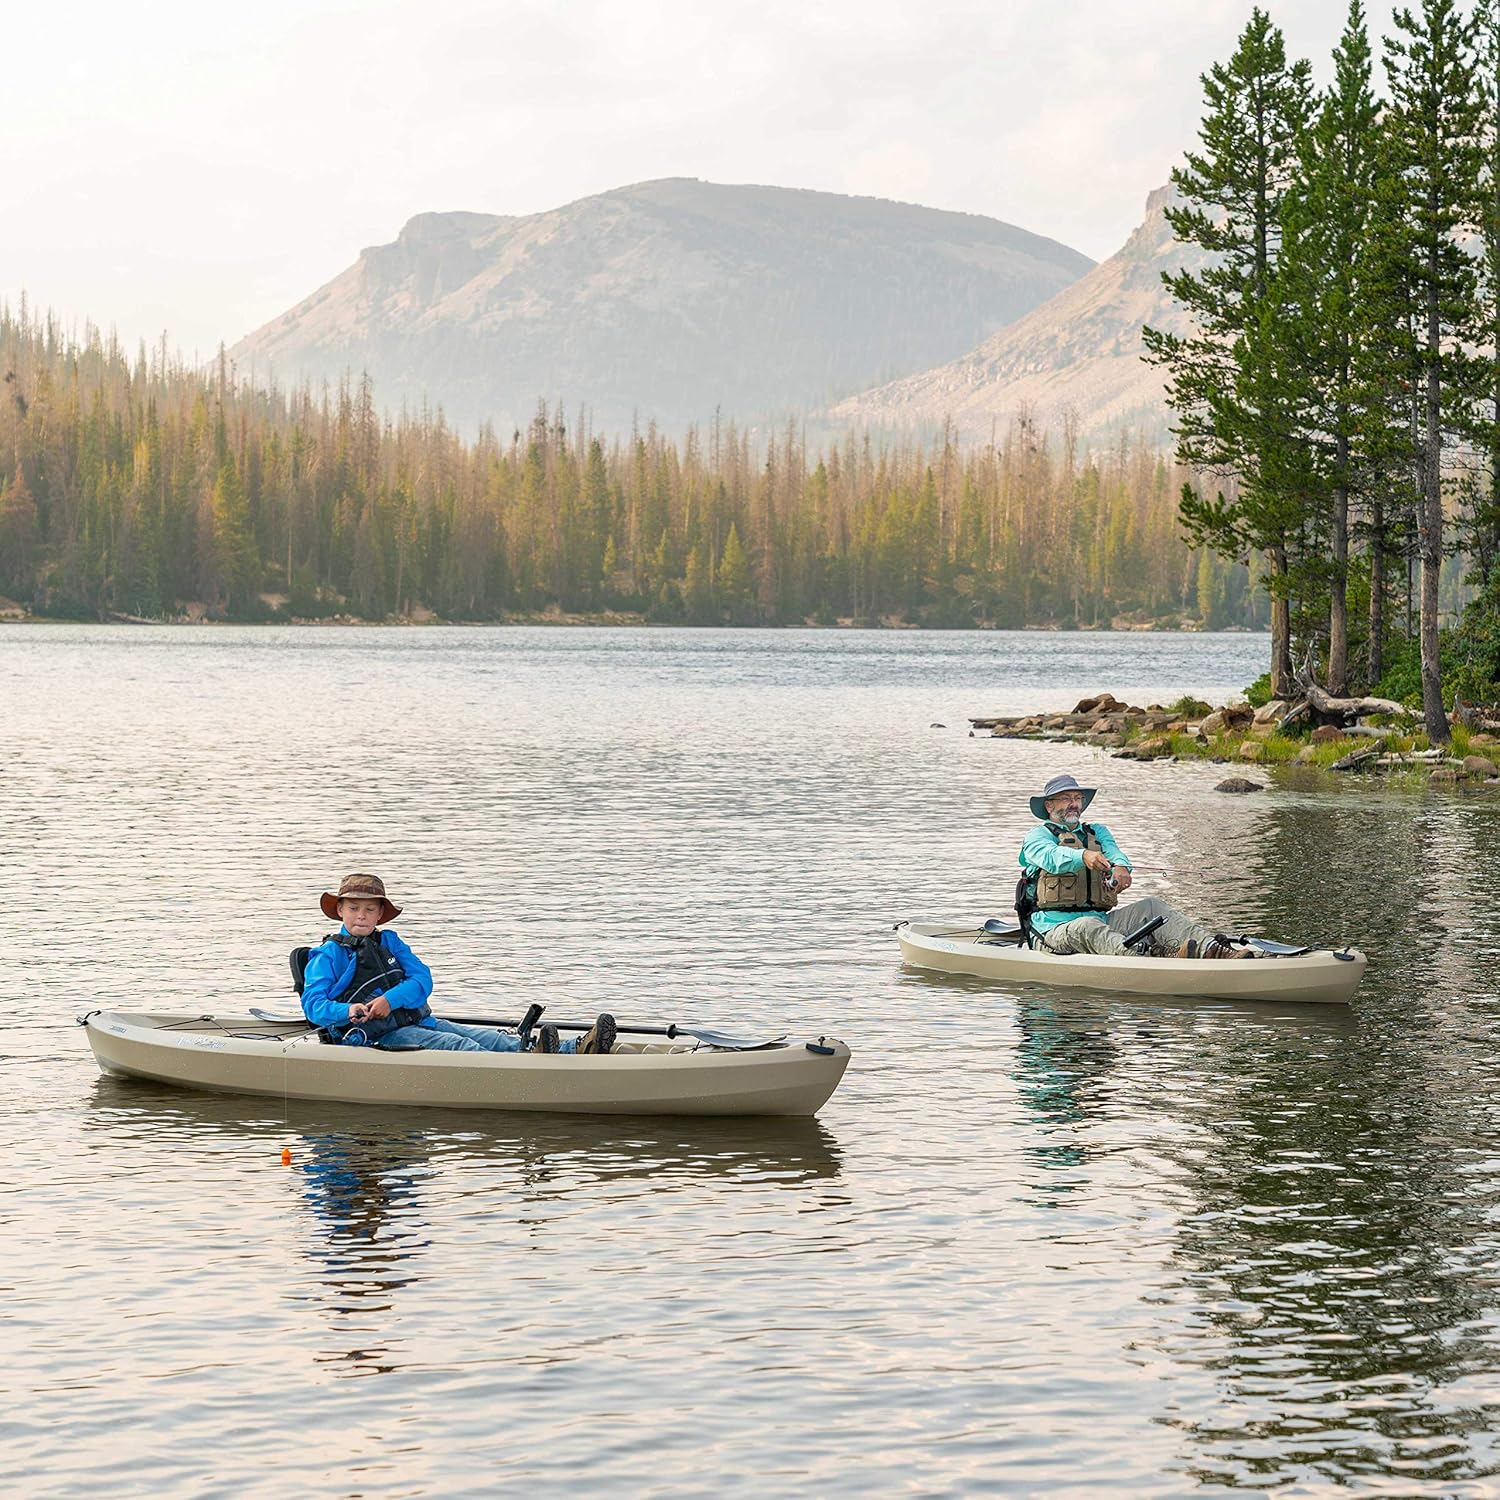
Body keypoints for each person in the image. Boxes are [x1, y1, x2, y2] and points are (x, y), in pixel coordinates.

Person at [300, 873, 618, 1053]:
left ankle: (575, 1049)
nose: (362, 916)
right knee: (458, 1044)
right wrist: (349, 1010)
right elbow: (314, 1007)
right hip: (378, 1038)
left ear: (380, 914)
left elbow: (422, 981)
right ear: (340, 910)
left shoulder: (390, 942)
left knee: (491, 1038)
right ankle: (534, 1065)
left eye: (369, 910)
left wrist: (389, 999)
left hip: (417, 1023)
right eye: (354, 908)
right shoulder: (327, 956)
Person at [1017, 774, 1253, 959]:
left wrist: (1121, 868)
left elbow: (1116, 853)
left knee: (1152, 906)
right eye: (1067, 798)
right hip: (1051, 932)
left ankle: (1216, 951)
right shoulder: (1036, 837)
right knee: (1086, 925)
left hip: (1100, 922)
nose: (1074, 804)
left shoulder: (1096, 831)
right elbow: (1050, 856)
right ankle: (1155, 957)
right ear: (1049, 806)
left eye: (1077, 798)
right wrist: (1083, 856)